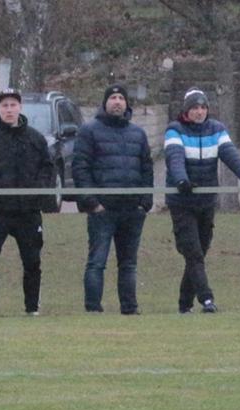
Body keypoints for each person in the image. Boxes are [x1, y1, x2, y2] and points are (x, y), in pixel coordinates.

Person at [163, 88, 240, 315]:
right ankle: (207, 299)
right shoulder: (174, 130)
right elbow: (175, 158)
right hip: (182, 203)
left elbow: (231, 156)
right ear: (186, 110)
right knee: (193, 253)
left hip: (206, 202)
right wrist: (181, 180)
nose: (199, 112)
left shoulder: (217, 129)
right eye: (194, 108)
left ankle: (184, 304)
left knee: (199, 252)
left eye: (203, 107)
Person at [0, 89, 55, 316]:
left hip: (28, 211)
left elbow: (48, 167)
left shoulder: (35, 138)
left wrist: (39, 189)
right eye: (4, 105)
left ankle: (32, 308)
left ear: (20, 107)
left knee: (32, 262)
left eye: (12, 105)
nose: (9, 109)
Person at [72, 83, 153, 315]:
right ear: (105, 103)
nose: (117, 102)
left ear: (126, 103)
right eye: (113, 98)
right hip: (102, 211)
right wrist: (92, 203)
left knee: (128, 264)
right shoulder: (89, 131)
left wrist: (144, 202)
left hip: (132, 211)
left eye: (121, 98)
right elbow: (80, 168)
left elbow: (147, 170)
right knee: (97, 262)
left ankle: (129, 308)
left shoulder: (138, 134)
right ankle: (93, 309)